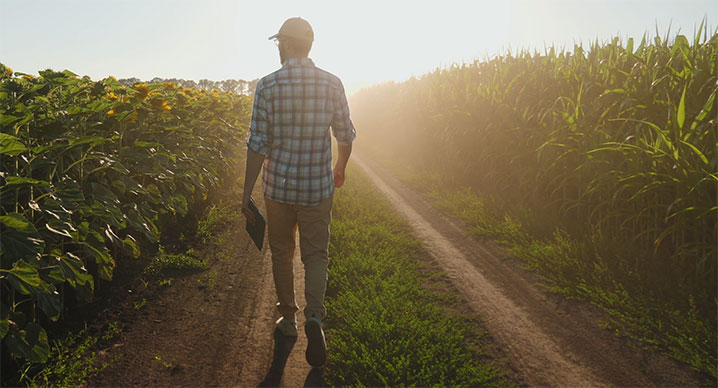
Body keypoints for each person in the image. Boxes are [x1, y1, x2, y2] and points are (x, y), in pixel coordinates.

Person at [241, 17, 356, 368]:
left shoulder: (268, 86)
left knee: (281, 253)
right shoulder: (332, 83)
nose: (278, 48)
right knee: (316, 254)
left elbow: (258, 144)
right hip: (317, 189)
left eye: (279, 43)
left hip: (278, 189)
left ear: (287, 44)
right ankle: (315, 319)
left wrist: (246, 191)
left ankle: (289, 321)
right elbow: (346, 135)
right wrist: (340, 168)